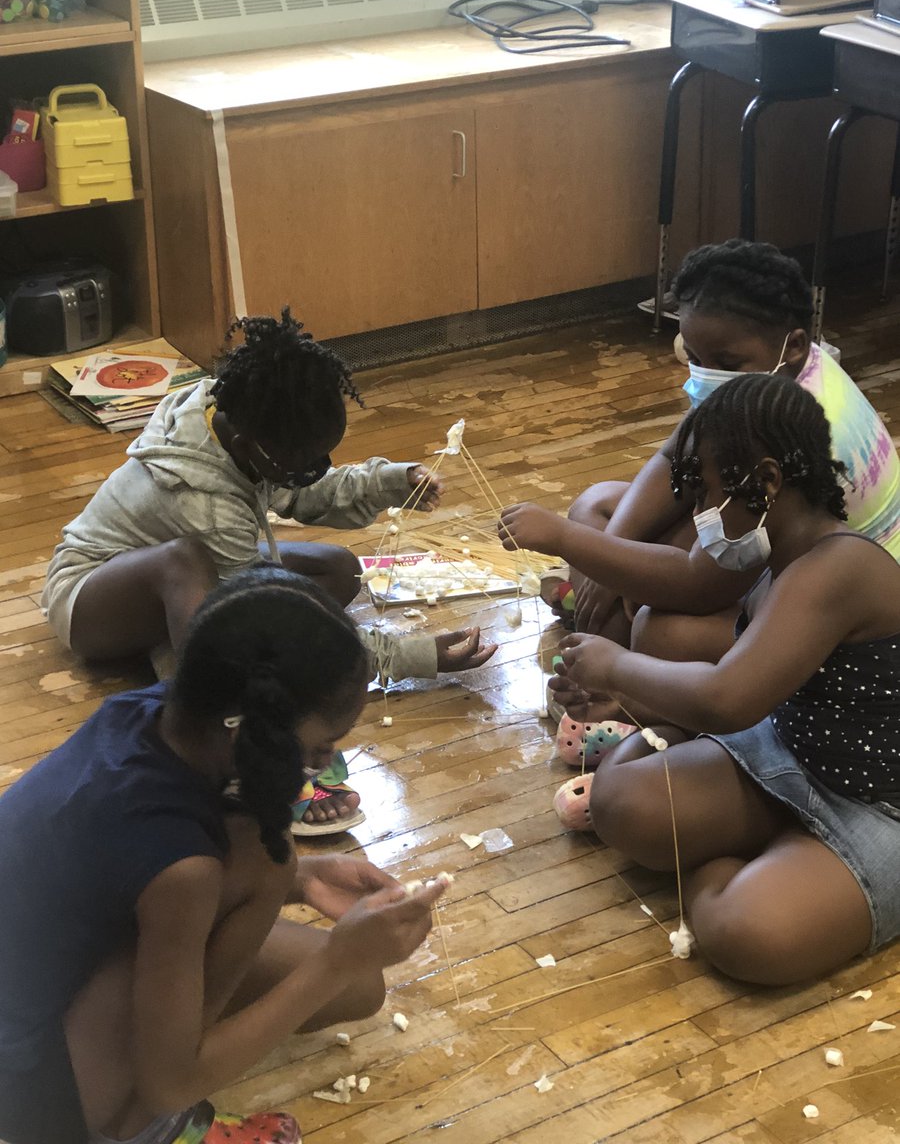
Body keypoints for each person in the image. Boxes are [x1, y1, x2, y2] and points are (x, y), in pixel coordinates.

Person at [0, 568, 451, 1144]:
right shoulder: (185, 872)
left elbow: (112, 871)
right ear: (247, 729)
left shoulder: (159, 711)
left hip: (52, 976)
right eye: (317, 749)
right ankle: (145, 1130)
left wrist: (308, 877)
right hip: (24, 1085)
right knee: (283, 895)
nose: (319, 766)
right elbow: (169, 1081)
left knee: (360, 988)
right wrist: (332, 957)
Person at [42, 309, 495, 833]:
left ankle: (173, 640)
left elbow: (305, 492)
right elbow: (259, 628)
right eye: (304, 458)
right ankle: (231, 734)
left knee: (340, 571)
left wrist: (394, 482)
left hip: (170, 569)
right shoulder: (205, 500)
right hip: (86, 598)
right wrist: (411, 654)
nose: (316, 465)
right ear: (255, 445)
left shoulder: (239, 417)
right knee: (186, 567)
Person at [548, 374, 900, 986]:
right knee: (620, 803)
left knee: (747, 935)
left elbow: (728, 697)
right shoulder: (773, 549)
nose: (700, 514)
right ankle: (773, 847)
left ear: (766, 482)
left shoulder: (839, 566)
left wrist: (616, 666)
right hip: (790, 746)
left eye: (707, 494)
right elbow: (733, 672)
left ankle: (772, 865)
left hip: (877, 805)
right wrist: (621, 688)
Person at [500, 239, 900, 740]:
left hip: (833, 610)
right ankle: (603, 629)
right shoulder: (781, 365)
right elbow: (677, 456)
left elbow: (700, 582)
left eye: (725, 360)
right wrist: (610, 570)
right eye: (694, 356)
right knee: (597, 507)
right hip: (762, 541)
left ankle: (632, 698)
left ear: (792, 346)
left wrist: (572, 546)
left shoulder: (804, 428)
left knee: (659, 629)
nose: (707, 372)